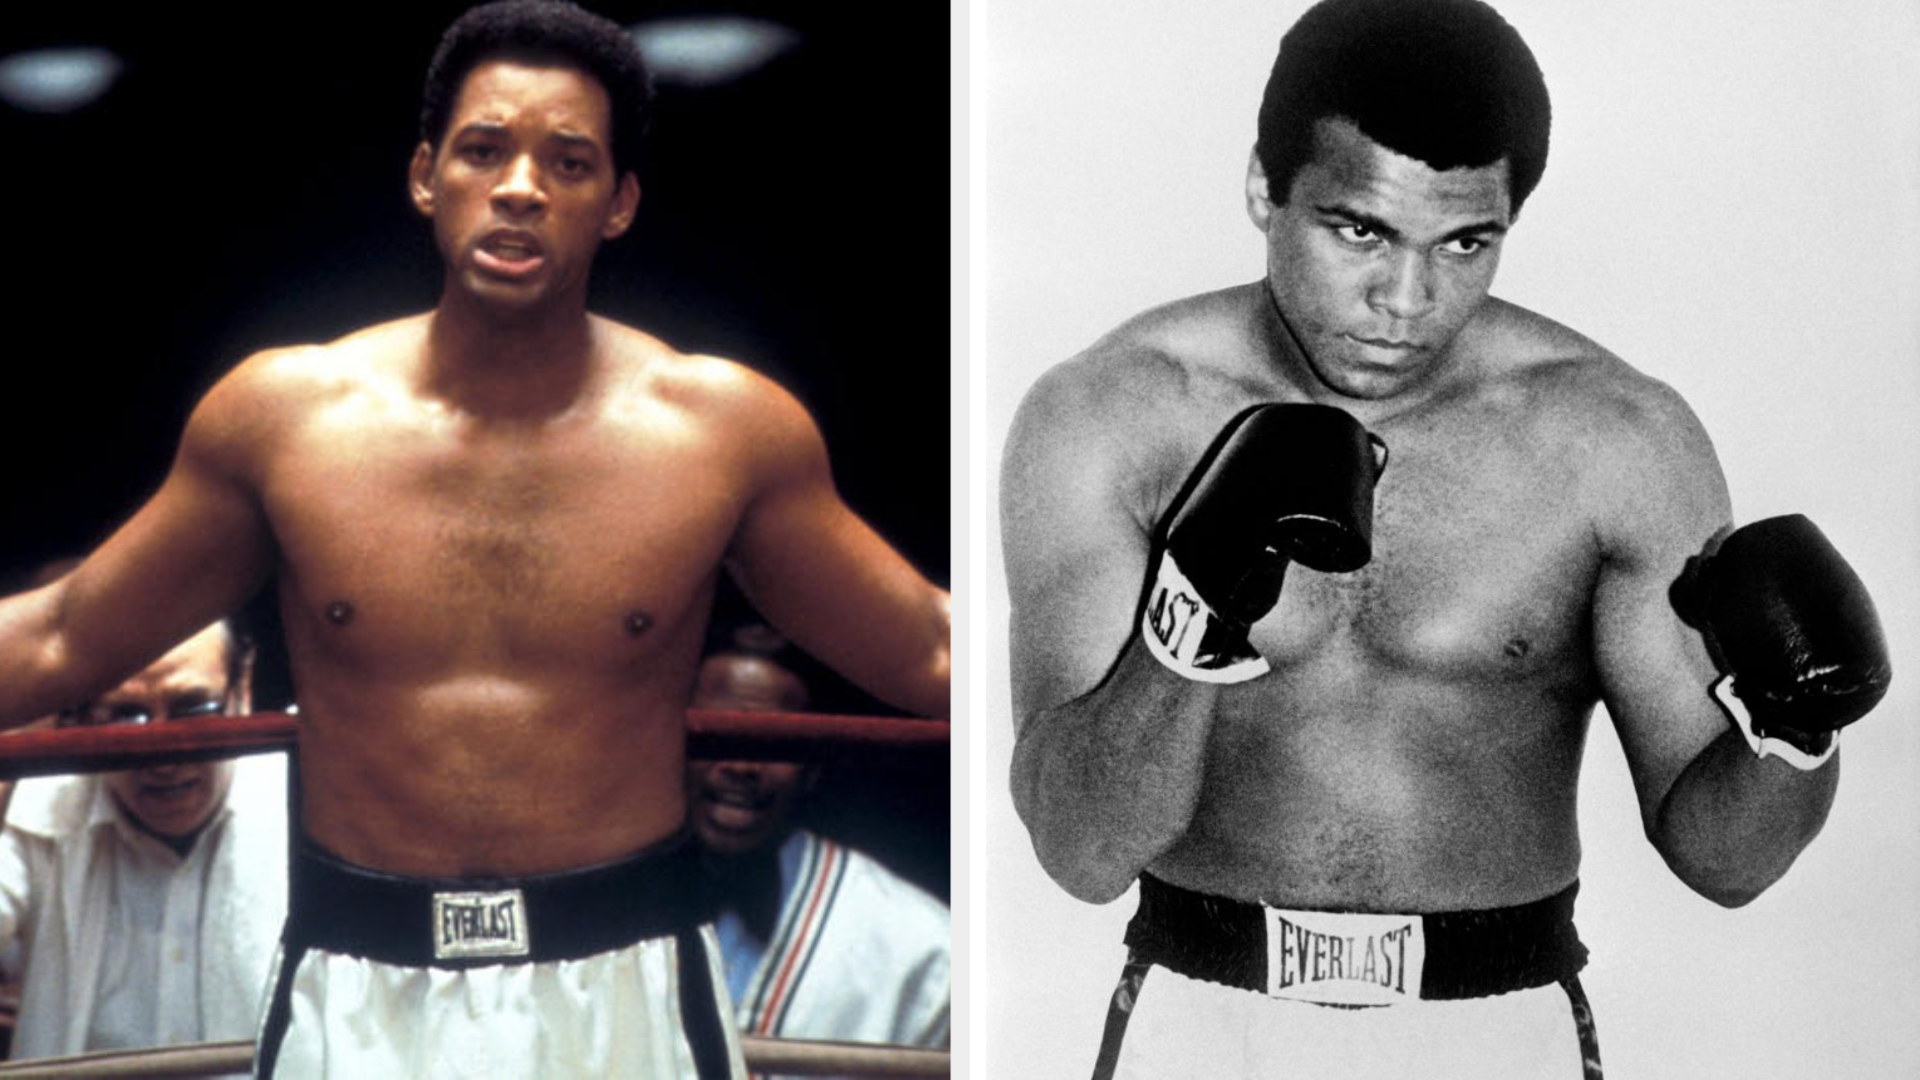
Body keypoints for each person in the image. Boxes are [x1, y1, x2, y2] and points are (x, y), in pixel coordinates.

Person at [0, 1, 949, 1077]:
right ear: (425, 176)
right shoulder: (284, 421)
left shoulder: (721, 434)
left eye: (570, 161)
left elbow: (928, 650)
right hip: (357, 986)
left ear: (620, 202)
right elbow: (61, 639)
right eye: (484, 150)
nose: (519, 187)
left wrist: (1166, 687)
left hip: (625, 977)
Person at [998, 0, 1890, 1077]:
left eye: (1466, 243)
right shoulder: (1112, 418)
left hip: (1497, 1026)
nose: (1406, 300)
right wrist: (1191, 616)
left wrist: (1795, 733)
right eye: (1358, 231)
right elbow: (1081, 852)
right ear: (1261, 190)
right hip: (1202, 1017)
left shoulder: (1615, 442)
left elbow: (1727, 864)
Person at [0, 619, 286, 1065]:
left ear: (243, 688)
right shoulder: (41, 800)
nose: (163, 760)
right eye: (126, 716)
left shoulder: (312, 800)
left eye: (194, 710)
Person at [685, 638, 949, 1077]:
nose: (742, 765)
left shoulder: (919, 948)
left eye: (773, 744)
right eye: (721, 735)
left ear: (812, 769)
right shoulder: (599, 900)